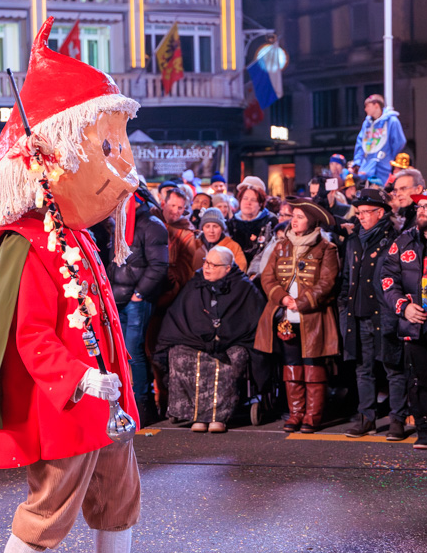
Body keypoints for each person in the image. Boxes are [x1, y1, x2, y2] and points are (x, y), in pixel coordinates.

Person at [0, 18, 176, 553]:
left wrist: (113, 379)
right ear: (50, 157)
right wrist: (82, 380)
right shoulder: (23, 242)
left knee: (119, 500)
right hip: (68, 403)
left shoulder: (76, 235)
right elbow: (26, 334)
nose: (121, 160)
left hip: (106, 404)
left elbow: (101, 319)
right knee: (47, 510)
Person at [155, 247, 266, 433]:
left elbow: (250, 322)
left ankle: (218, 417)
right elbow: (180, 317)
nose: (207, 268)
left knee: (232, 358)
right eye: (206, 262)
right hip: (196, 340)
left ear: (228, 268)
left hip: (232, 342)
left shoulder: (243, 288)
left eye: (214, 265)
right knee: (179, 354)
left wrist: (222, 337)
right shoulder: (195, 284)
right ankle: (195, 415)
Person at [255, 198, 339, 433]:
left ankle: (312, 416)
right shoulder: (281, 246)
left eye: (300, 217)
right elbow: (267, 277)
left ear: (311, 221)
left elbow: (327, 283)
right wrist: (283, 299)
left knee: (313, 366)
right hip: (285, 317)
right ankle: (295, 414)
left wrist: (301, 302)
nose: (294, 220)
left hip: (314, 318)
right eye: (293, 216)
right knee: (291, 365)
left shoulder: (326, 248)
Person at [337, 188, 406, 438]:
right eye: (359, 212)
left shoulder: (396, 238)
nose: (361, 217)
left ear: (380, 212)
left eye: (366, 212)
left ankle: (397, 419)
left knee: (393, 367)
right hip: (358, 314)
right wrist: (344, 306)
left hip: (385, 314)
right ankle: (367, 417)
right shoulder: (354, 240)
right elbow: (347, 277)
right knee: (362, 368)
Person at [107, 184, 168, 426]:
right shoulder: (118, 225)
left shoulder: (152, 225)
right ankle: (127, 403)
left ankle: (144, 406)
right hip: (117, 298)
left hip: (134, 301)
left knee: (135, 353)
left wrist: (140, 294)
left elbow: (159, 266)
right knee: (122, 354)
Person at [381, 185, 427, 450]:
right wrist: (403, 307)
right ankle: (426, 430)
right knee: (419, 380)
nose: (421, 211)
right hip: (416, 324)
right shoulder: (404, 241)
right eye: (419, 206)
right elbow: (388, 279)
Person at [353, 94, 407, 185]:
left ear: (376, 105)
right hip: (366, 169)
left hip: (384, 169)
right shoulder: (366, 124)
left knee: (381, 194)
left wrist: (389, 157)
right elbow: (360, 144)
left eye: (367, 106)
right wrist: (358, 162)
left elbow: (399, 142)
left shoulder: (392, 121)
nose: (365, 109)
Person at [228, 176, 278, 273]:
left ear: (260, 204)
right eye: (245, 198)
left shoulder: (270, 222)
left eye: (253, 200)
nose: (248, 203)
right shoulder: (231, 223)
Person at [193, 208, 247, 272]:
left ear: (222, 229)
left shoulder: (233, 247)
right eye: (207, 226)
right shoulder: (194, 245)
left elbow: (240, 271)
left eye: (215, 226)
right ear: (202, 229)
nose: (211, 231)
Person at [390, 167, 425, 233]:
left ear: (418, 189)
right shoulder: (407, 214)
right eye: (396, 190)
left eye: (403, 189)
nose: (398, 194)